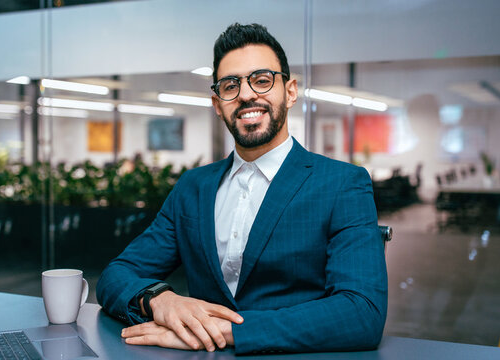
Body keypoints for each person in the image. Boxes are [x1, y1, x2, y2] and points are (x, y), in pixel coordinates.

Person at [97, 23, 387, 354]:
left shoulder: (341, 183)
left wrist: (226, 331)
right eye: (230, 85)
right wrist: (159, 300)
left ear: (290, 91)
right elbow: (117, 275)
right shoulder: (194, 187)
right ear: (218, 103)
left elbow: (362, 312)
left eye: (262, 80)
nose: (247, 94)